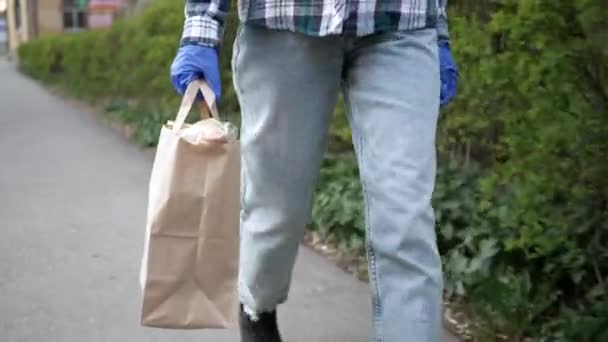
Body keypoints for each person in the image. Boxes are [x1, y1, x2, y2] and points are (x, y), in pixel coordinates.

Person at [170, 0, 458, 340]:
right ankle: (256, 308)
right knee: (276, 207)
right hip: (284, 22)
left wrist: (438, 29)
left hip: (402, 25)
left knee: (405, 214)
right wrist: (201, 32)